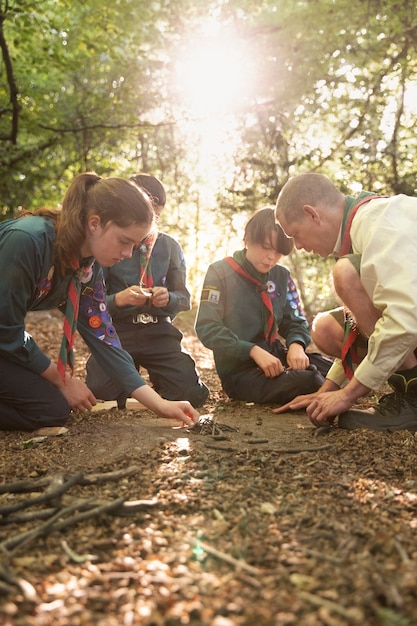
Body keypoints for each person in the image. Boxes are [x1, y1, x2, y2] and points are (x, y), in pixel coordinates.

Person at [0, 172, 199, 431]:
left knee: (51, 409)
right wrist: (60, 379)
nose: (128, 253)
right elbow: (6, 331)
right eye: (124, 241)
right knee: (52, 401)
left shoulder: (87, 269)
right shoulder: (28, 241)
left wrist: (159, 404)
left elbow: (104, 337)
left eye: (135, 245)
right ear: (95, 223)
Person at [273, 172, 417, 431]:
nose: (299, 246)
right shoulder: (362, 225)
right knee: (326, 327)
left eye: (295, 235)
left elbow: (405, 320)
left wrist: (348, 395)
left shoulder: (380, 223)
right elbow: (362, 324)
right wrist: (328, 390)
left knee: (345, 273)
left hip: (410, 318)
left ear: (312, 214)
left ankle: (413, 394)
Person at [85, 174, 209, 409]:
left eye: (156, 216)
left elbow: (184, 299)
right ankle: (128, 380)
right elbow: (91, 302)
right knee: (101, 393)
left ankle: (161, 380)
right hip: (117, 332)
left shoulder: (169, 246)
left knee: (190, 393)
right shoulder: (109, 244)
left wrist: (168, 298)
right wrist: (119, 300)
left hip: (158, 331)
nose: (148, 223)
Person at [194, 207, 331, 405]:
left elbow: (295, 320)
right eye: (266, 247)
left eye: (278, 252)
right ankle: (320, 393)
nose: (271, 257)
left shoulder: (281, 276)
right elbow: (207, 328)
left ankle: (321, 391)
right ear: (247, 239)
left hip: (277, 358)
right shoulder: (220, 272)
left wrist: (296, 346)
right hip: (240, 371)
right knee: (308, 380)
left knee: (337, 371)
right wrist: (252, 350)